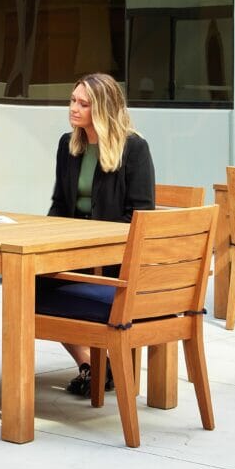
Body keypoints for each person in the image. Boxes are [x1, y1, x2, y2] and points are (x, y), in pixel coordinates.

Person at [46, 73, 155, 399]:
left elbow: (140, 214)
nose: (73, 108)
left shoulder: (134, 148)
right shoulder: (68, 145)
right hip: (75, 252)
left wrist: (94, 240)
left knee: (52, 289)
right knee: (33, 284)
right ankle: (93, 365)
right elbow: (60, 205)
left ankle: (100, 364)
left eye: (83, 104)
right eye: (72, 100)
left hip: (116, 260)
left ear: (104, 109)